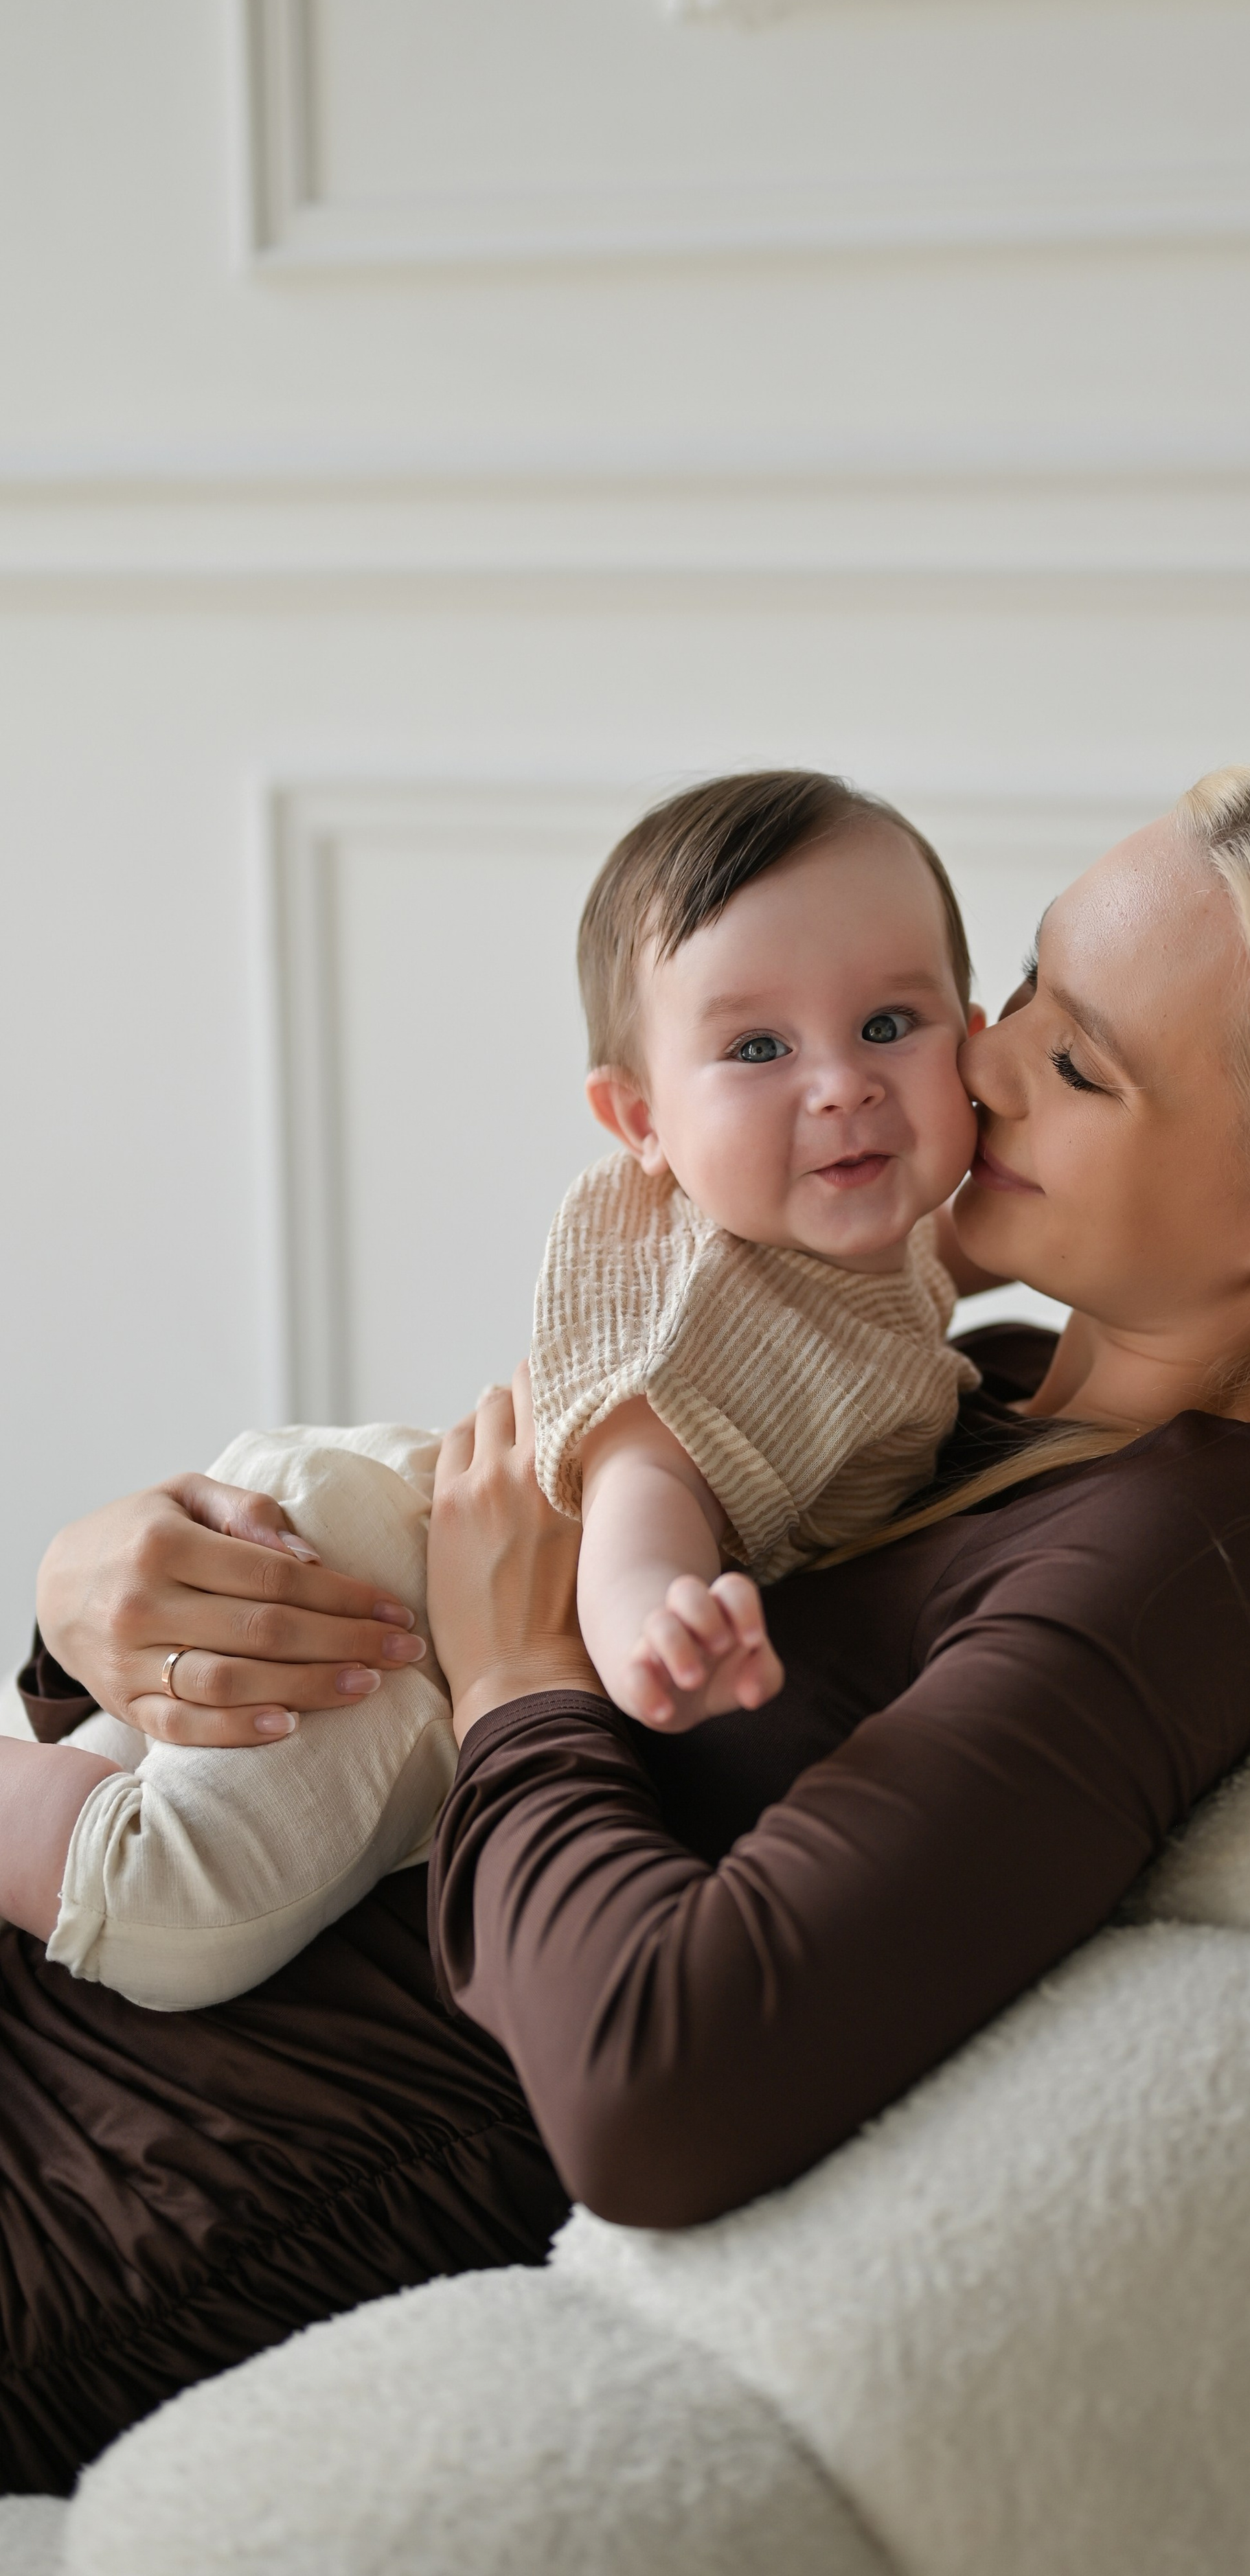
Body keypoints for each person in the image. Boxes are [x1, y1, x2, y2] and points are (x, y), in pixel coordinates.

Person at [0, 759, 1250, 2494]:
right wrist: (103, 1600)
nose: (967, 1062)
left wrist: (522, 1670)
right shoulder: (950, 1389)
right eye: (1024, 987)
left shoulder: (1209, 1544)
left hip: (95, 2190)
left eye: (1074, 1059)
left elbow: (662, 2081)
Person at [0, 772, 986, 2010]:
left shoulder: (851, 1259)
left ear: (974, 1030)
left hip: (378, 1528)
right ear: (640, 1119)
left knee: (123, 1766)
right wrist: (656, 1638)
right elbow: (640, 1511)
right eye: (757, 1048)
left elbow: (927, 1279)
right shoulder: (698, 1342)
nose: (842, 1083)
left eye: (892, 1025)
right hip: (394, 1628)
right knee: (172, 1919)